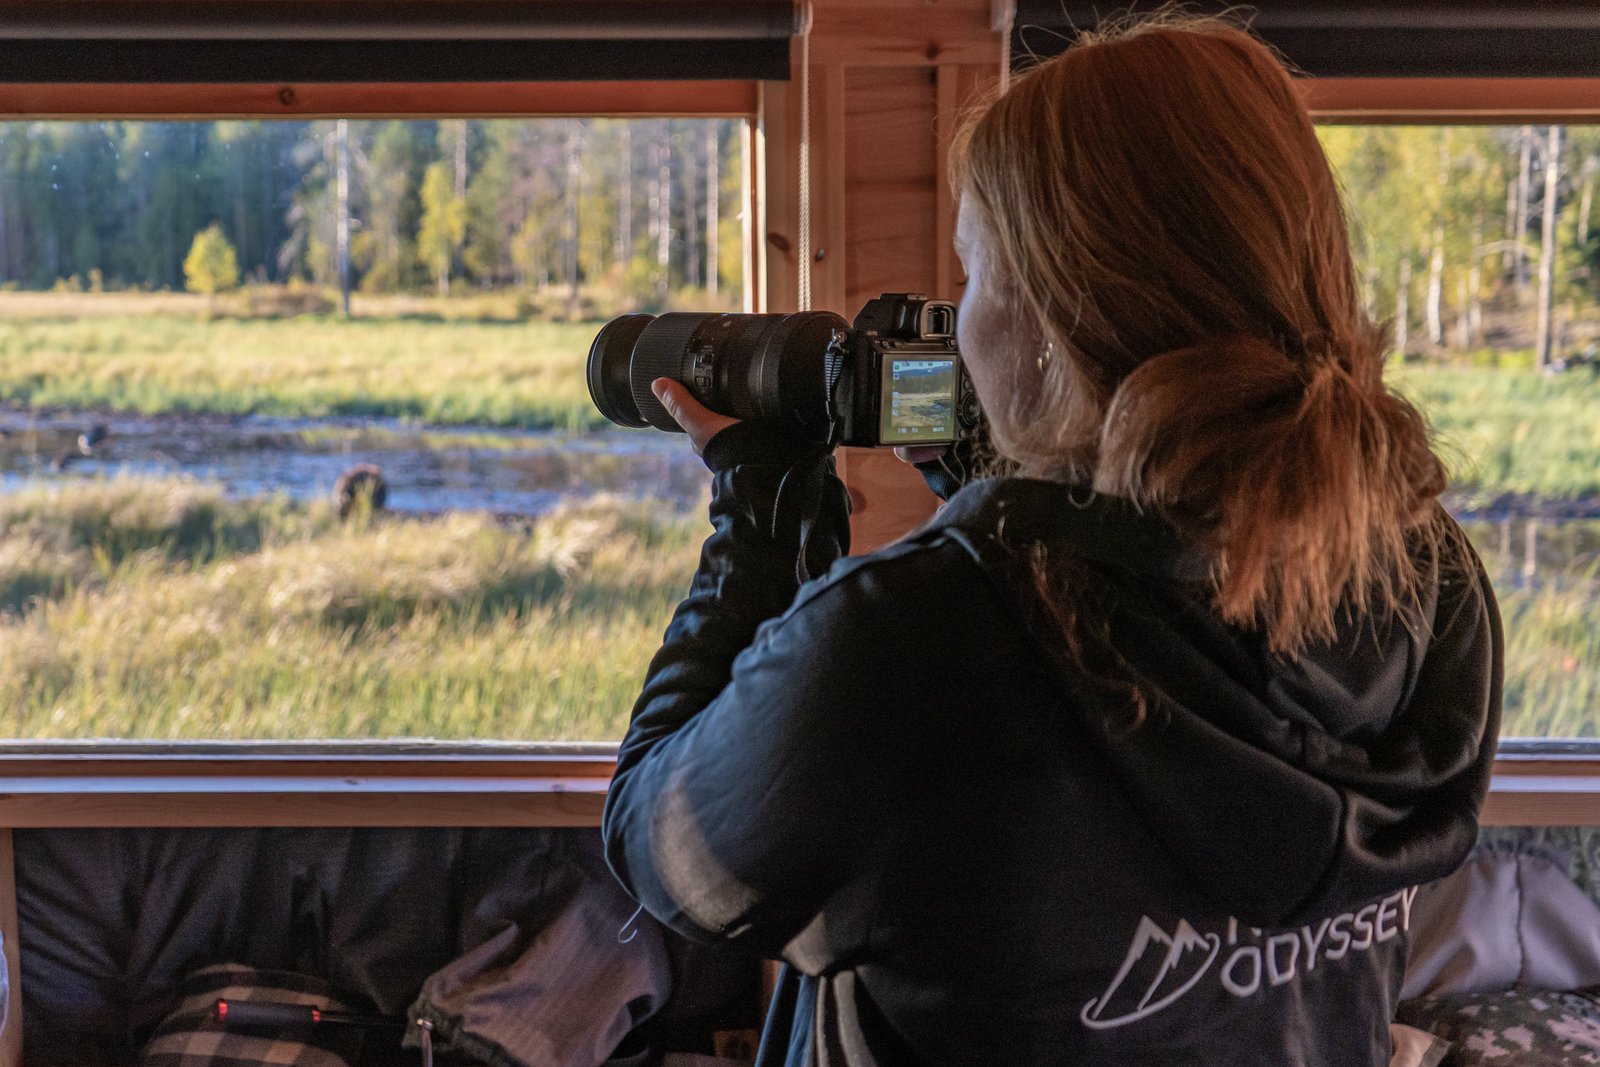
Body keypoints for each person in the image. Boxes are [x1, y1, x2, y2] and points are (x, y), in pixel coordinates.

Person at [602, 13, 1502, 1067]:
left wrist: (755, 517)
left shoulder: (918, 636)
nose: (961, 315)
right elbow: (1161, 569)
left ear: (1051, 316)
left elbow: (661, 845)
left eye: (975, 272)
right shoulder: (1420, 568)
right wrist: (1032, 476)